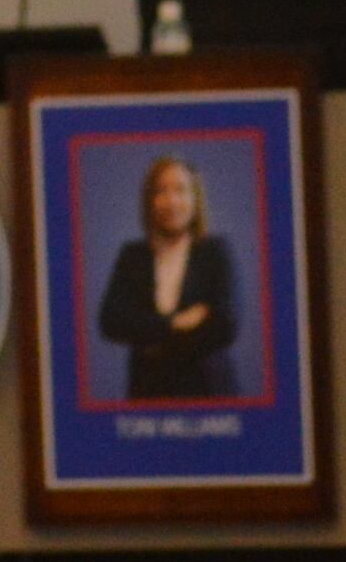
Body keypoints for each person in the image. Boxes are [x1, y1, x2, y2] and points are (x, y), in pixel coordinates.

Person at [95, 153, 245, 402]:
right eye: (161, 191)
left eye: (181, 190)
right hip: (147, 396)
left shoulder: (216, 252)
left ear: (195, 199)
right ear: (150, 201)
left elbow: (226, 326)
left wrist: (152, 340)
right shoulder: (132, 256)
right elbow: (110, 322)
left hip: (209, 396)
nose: (172, 201)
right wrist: (173, 324)